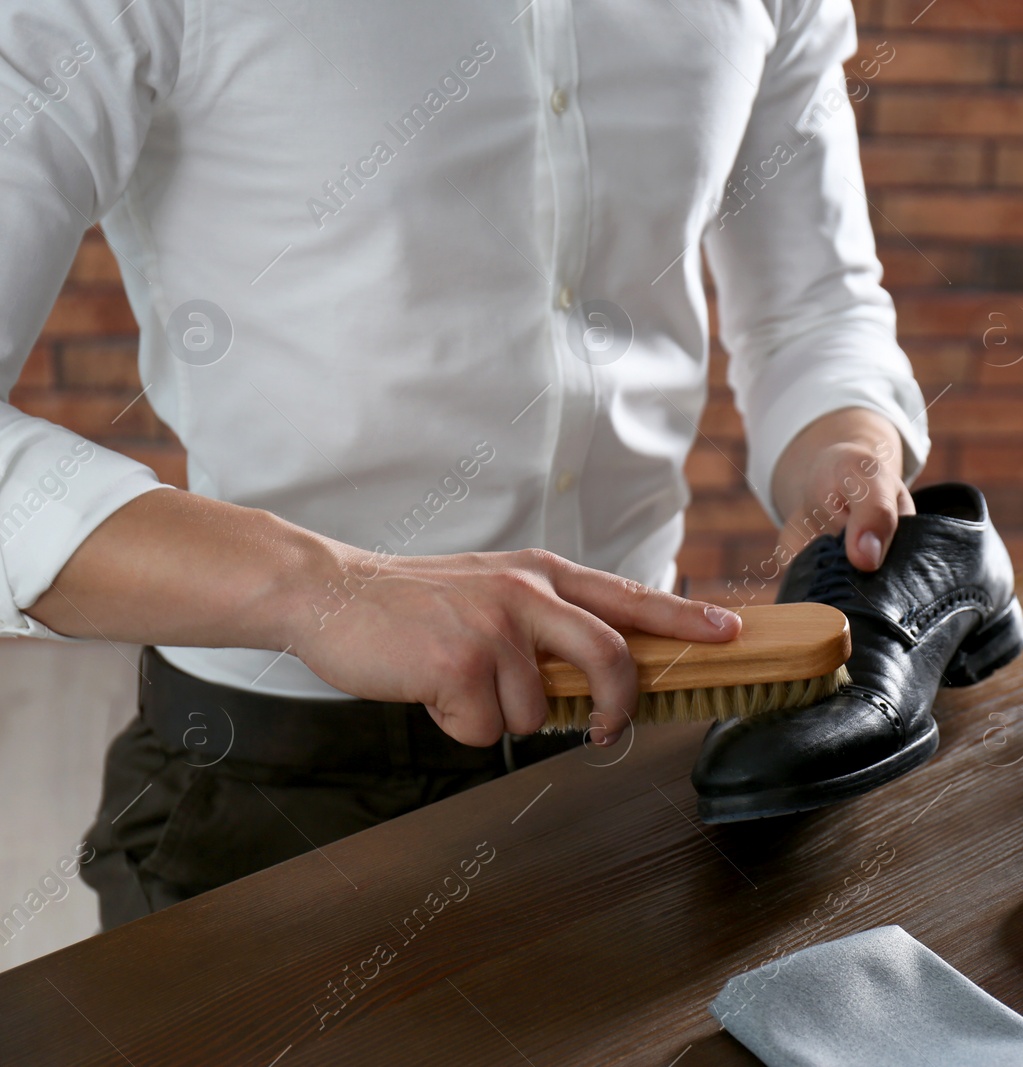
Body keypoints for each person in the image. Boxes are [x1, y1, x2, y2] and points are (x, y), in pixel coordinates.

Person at [0, 0, 928, 926]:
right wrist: (328, 588)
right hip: (272, 782)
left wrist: (847, 444)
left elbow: (813, 312)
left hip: (644, 730)